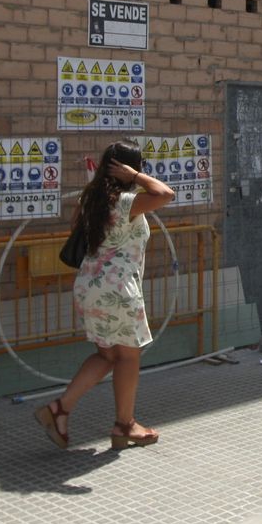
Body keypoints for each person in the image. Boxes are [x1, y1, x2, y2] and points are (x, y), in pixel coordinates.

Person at [36, 140, 176, 451]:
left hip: (89, 285)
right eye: (138, 165)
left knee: (108, 356)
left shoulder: (89, 201)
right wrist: (135, 177)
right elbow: (165, 194)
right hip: (117, 289)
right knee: (127, 357)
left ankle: (59, 410)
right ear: (127, 168)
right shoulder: (125, 202)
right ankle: (125, 425)